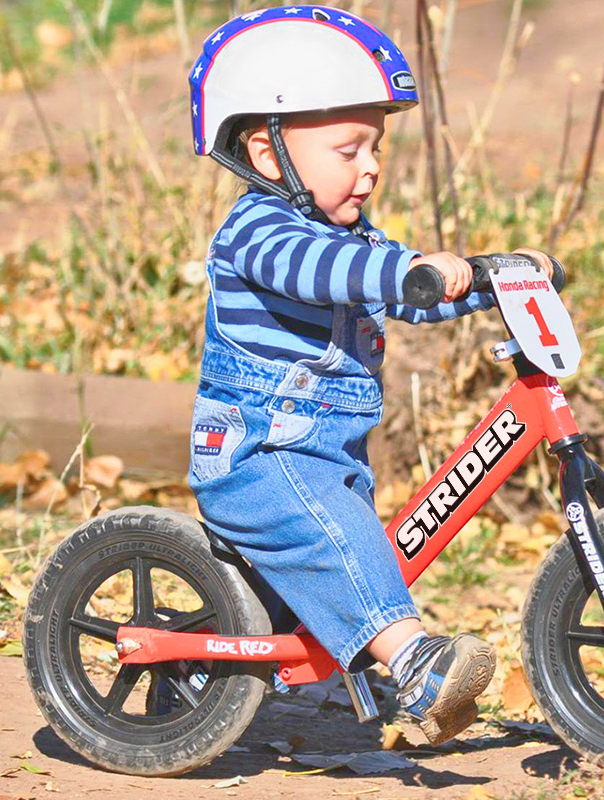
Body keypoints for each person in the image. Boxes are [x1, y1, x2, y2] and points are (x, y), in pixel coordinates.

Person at [187, 6, 553, 745]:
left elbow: (399, 288)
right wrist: (409, 267)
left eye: (376, 147)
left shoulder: (353, 238)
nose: (372, 167)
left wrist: (499, 278)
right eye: (349, 149)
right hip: (262, 457)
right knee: (338, 537)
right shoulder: (260, 232)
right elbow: (334, 270)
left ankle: (213, 674)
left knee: (336, 541)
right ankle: (412, 663)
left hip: (326, 456)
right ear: (267, 154)